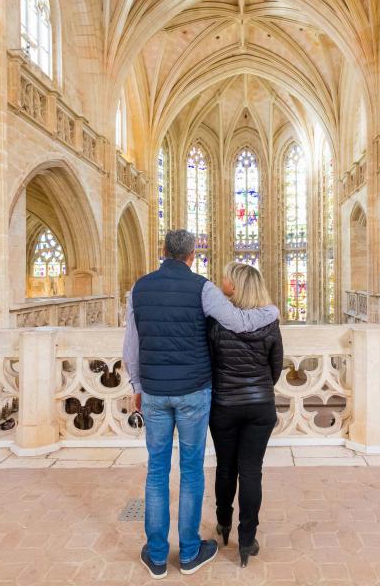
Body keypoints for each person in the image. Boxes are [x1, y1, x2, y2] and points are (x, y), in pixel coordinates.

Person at [122, 230, 279, 580]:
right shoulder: (204, 288)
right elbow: (238, 322)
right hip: (194, 391)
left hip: (154, 393)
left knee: (156, 472)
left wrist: (136, 386)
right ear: (193, 255)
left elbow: (130, 347)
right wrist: (271, 311)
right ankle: (190, 553)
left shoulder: (139, 289)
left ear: (162, 251)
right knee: (192, 472)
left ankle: (158, 556)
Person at [208, 261, 283, 568]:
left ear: (235, 286)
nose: (221, 280)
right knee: (252, 471)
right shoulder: (270, 322)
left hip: (224, 404)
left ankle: (223, 523)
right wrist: (260, 389)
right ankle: (247, 540)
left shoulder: (216, 322)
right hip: (260, 406)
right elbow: (275, 366)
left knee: (226, 467)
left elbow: (210, 363)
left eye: (226, 278)